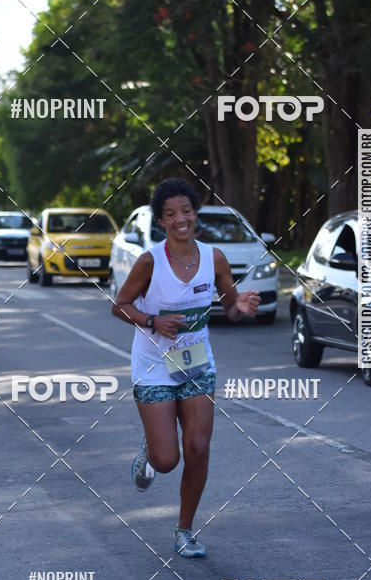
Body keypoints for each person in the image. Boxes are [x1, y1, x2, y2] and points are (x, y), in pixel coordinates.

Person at [111, 179, 260, 558]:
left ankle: (185, 530)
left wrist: (239, 307)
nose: (181, 219)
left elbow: (228, 307)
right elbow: (120, 305)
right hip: (153, 367)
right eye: (172, 213)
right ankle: (150, 449)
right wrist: (151, 321)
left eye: (187, 211)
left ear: (196, 214)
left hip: (196, 365)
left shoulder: (214, 258)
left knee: (197, 449)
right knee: (167, 460)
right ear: (162, 221)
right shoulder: (150, 261)